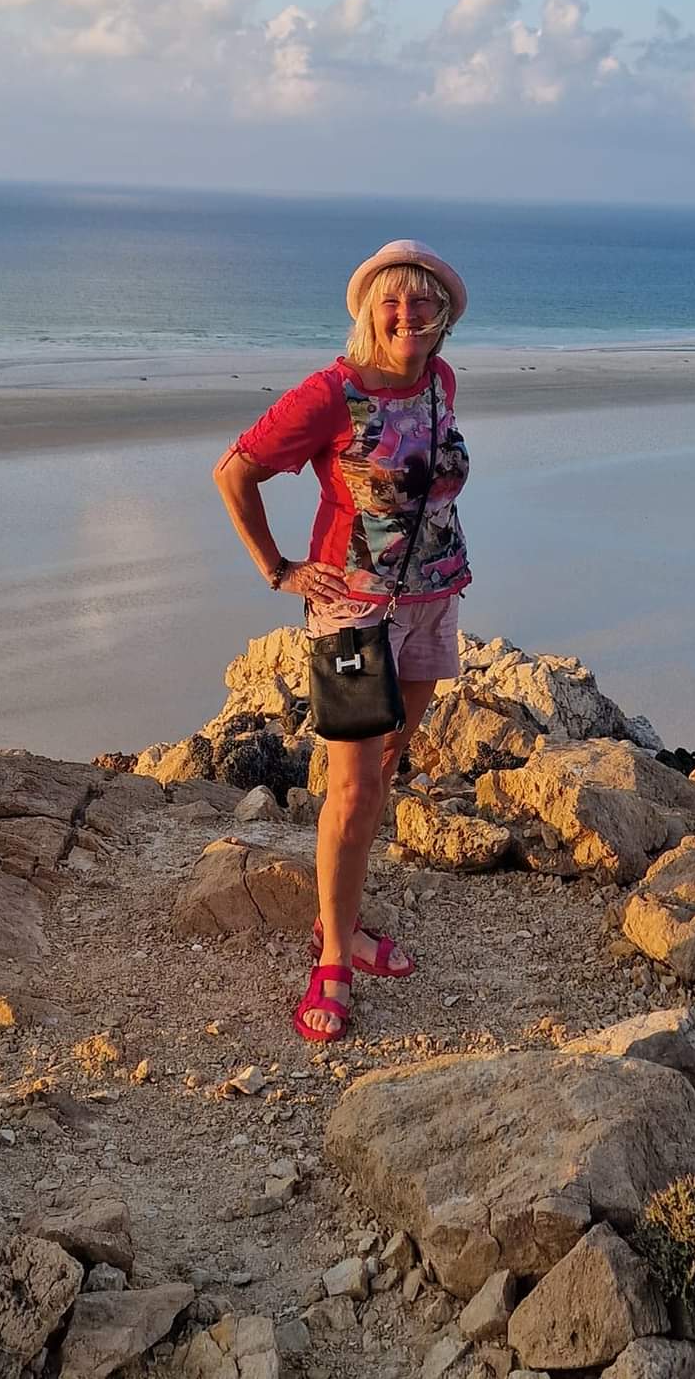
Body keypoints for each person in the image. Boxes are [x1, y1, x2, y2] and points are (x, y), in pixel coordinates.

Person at [212, 238, 471, 1041]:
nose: (406, 314)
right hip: (353, 611)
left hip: (434, 599)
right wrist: (279, 569)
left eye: (421, 301)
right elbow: (234, 471)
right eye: (390, 302)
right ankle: (329, 957)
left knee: (388, 765)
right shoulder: (331, 393)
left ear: (443, 316)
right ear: (367, 312)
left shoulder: (440, 381)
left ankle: (345, 923)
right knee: (353, 788)